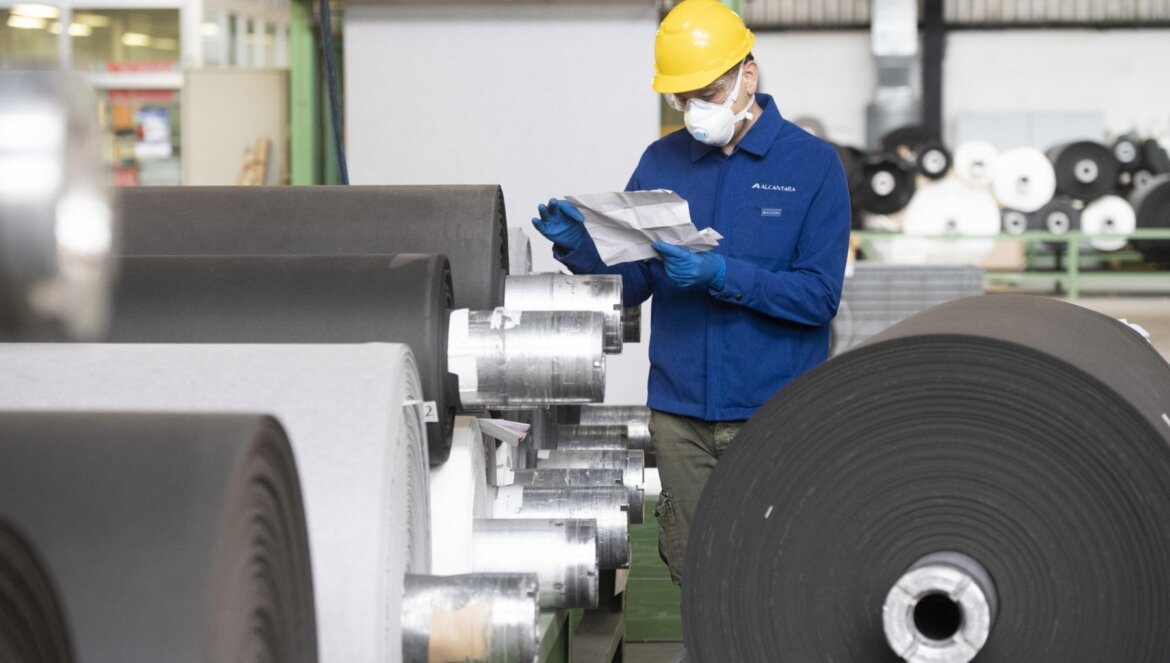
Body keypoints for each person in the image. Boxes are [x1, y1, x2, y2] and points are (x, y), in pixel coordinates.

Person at [532, 0, 851, 586]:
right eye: (682, 98)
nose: (694, 109)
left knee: (780, 569)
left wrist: (723, 276)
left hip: (774, 412)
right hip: (679, 417)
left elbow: (819, 297)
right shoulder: (662, 160)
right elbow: (633, 286)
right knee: (699, 571)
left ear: (746, 77)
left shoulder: (813, 166)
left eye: (707, 91)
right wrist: (579, 247)